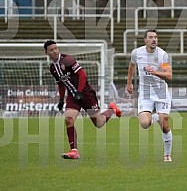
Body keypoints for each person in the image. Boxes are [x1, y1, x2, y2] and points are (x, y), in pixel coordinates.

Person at [44, 40, 122, 159]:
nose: (55, 51)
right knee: (69, 119)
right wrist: (61, 100)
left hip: (86, 94)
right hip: (72, 96)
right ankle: (74, 151)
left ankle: (112, 109)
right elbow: (60, 83)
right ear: (46, 53)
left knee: (99, 123)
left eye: (56, 48)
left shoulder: (67, 60)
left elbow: (82, 75)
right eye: (51, 50)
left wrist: (80, 91)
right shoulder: (53, 69)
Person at [126, 29, 173, 162]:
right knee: (145, 123)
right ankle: (157, 116)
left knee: (165, 126)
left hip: (161, 93)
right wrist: (129, 82)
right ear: (145, 40)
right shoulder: (136, 53)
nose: (154, 40)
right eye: (151, 37)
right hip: (145, 94)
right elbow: (132, 65)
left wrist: (155, 72)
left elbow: (169, 75)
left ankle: (167, 155)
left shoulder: (162, 55)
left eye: (156, 37)